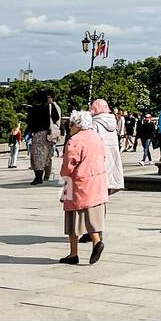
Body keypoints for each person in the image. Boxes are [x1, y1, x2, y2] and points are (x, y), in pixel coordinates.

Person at [59, 111, 108, 266]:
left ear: (77, 125)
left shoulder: (75, 140)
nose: (69, 128)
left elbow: (69, 165)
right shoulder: (96, 137)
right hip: (97, 180)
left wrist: (63, 174)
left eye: (71, 125)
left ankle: (73, 253)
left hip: (77, 182)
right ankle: (96, 241)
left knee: (72, 217)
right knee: (91, 214)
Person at [90, 99, 125, 195]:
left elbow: (92, 139)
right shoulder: (112, 121)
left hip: (100, 152)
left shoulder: (94, 123)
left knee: (101, 178)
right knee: (111, 174)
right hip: (112, 151)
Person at [27, 91, 61, 184]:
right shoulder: (50, 107)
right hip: (49, 134)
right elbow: (56, 118)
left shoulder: (33, 108)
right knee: (46, 156)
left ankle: (38, 176)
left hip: (38, 134)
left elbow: (29, 122)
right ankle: (45, 175)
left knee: (37, 156)